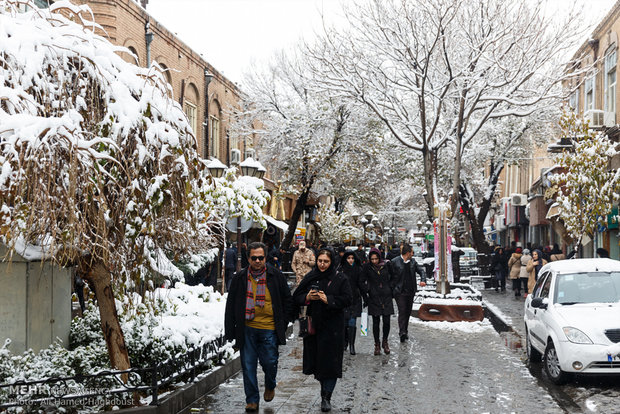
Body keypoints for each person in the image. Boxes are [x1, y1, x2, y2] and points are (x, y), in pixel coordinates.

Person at [224, 242, 293, 413]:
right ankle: (252, 400)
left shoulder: (275, 276)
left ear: (265, 257)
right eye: (253, 258)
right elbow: (231, 305)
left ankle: (270, 384)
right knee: (248, 366)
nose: (257, 261)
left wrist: (283, 323)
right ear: (248, 258)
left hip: (269, 328)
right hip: (247, 328)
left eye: (260, 258)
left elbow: (287, 300)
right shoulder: (240, 278)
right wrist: (230, 331)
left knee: (270, 362)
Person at [293, 248, 353, 412]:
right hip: (315, 327)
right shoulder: (311, 277)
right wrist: (307, 297)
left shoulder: (340, 278)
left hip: (333, 327)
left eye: (326, 261)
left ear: (331, 261)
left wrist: (330, 300)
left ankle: (327, 397)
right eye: (320, 261)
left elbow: (348, 299)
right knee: (319, 363)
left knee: (331, 364)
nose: (322, 264)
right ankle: (323, 391)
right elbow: (296, 296)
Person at [390, 244, 426, 343]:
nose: (413, 254)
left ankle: (405, 330)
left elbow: (421, 271)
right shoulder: (395, 262)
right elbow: (390, 276)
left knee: (407, 311)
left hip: (410, 290)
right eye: (412, 252)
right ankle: (402, 332)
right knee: (402, 310)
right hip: (400, 291)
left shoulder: (413, 262)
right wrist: (392, 288)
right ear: (407, 253)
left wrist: (423, 280)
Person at [362, 248, 394, 355]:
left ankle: (385, 341)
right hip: (374, 296)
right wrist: (368, 289)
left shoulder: (387, 265)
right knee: (375, 322)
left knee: (386, 321)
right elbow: (362, 280)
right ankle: (377, 344)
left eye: (376, 259)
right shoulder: (367, 267)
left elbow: (393, 277)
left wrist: (390, 288)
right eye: (372, 259)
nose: (374, 261)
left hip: (386, 296)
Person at [339, 251, 365, 355]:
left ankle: (352, 345)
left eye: (352, 258)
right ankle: (345, 343)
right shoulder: (340, 269)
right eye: (348, 258)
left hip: (355, 300)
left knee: (352, 323)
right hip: (343, 300)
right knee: (344, 323)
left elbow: (361, 285)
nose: (350, 260)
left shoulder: (358, 269)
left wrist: (366, 297)